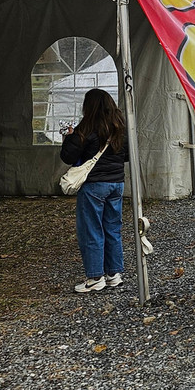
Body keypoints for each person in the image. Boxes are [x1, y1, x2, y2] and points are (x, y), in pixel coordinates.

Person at [60, 89, 129, 293]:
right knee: (112, 229)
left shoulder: (87, 128)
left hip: (94, 186)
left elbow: (68, 157)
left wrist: (68, 137)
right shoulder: (120, 128)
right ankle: (113, 274)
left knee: (91, 230)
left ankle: (95, 277)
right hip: (117, 184)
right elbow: (127, 156)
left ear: (88, 106)